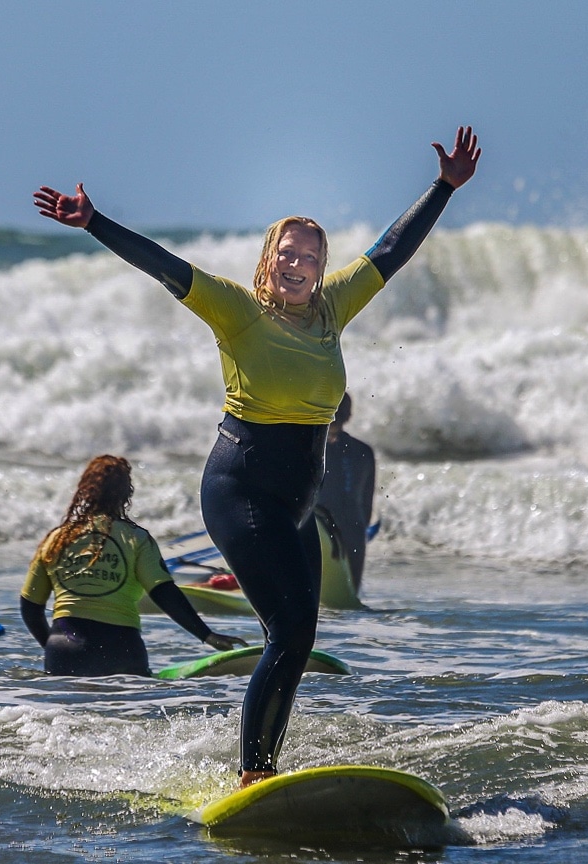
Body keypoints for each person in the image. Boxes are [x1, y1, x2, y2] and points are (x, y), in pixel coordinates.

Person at [33, 126, 480, 786]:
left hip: (297, 500)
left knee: (295, 637)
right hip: (241, 487)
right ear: (267, 262)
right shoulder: (236, 309)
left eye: (310, 256)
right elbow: (163, 265)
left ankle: (259, 762)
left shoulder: (332, 308)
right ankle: (254, 774)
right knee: (292, 631)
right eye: (286, 253)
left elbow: (391, 250)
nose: (296, 264)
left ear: (320, 268)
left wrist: (443, 187)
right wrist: (95, 221)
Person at [20, 455, 246, 677]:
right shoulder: (136, 539)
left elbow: (30, 607)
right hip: (121, 651)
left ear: (84, 490)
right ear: (127, 494)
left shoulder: (56, 540)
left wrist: (54, 645)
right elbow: (164, 592)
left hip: (65, 650)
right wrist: (206, 635)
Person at [317, 392, 376, 593]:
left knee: (312, 594)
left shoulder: (314, 447)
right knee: (350, 594)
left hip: (321, 529)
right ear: (349, 415)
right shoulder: (365, 451)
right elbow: (367, 505)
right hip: (355, 528)